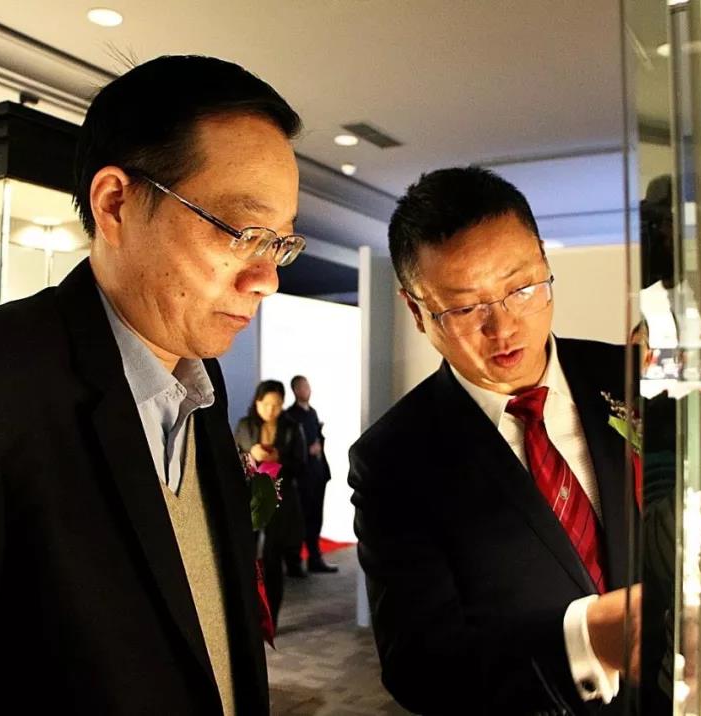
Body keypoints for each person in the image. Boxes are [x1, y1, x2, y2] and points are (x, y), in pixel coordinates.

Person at [0, 55, 304, 714]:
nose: (267, 278)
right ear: (115, 203)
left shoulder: (202, 386)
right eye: (242, 232)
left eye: (279, 243)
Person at [349, 167, 642, 714]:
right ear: (416, 311)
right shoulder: (393, 459)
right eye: (465, 307)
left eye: (522, 288)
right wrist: (586, 641)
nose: (502, 327)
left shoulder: (631, 379)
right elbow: (418, 668)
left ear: (545, 263)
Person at [234, 380, 307, 625]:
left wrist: (280, 459)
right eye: (266, 404)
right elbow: (232, 460)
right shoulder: (245, 426)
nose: (271, 410)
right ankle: (248, 617)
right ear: (257, 402)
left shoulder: (292, 428)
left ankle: (270, 620)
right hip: (250, 501)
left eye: (276, 404)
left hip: (280, 502)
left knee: (273, 561)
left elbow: (302, 465)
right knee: (246, 558)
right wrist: (250, 456)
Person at [286, 375, 339, 573]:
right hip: (302, 476)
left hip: (318, 473)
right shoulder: (290, 416)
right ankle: (294, 561)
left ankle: (314, 558)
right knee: (300, 519)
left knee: (316, 517)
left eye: (307, 386)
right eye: (302, 387)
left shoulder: (312, 413)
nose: (307, 390)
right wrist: (307, 451)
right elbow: (290, 446)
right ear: (295, 390)